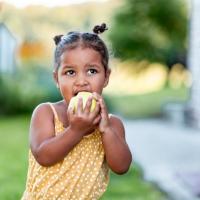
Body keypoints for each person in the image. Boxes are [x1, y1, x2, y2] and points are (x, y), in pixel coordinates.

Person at [22, 23, 132, 200]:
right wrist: (76, 130)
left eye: (91, 71)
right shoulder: (46, 113)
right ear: (56, 78)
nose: (81, 81)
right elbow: (43, 156)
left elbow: (122, 167)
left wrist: (106, 130)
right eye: (70, 72)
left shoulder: (112, 124)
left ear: (106, 77)